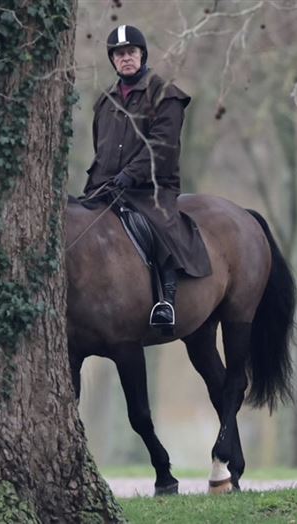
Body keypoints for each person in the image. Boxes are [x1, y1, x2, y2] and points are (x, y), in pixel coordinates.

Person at [83, 24, 211, 330]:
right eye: (119, 54)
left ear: (142, 54)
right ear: (112, 60)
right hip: (107, 187)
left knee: (156, 226)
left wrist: (131, 174)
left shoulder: (166, 96)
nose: (125, 58)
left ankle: (165, 300)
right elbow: (100, 146)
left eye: (131, 52)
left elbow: (162, 146)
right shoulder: (105, 101)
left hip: (151, 189)